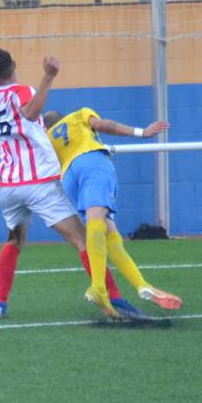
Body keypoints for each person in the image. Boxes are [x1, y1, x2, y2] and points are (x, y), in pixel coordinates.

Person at [0, 47, 141, 320]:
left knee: (14, 241)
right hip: (38, 182)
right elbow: (30, 114)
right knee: (83, 241)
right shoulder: (23, 91)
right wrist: (48, 77)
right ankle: (115, 300)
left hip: (7, 185)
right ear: (13, 65)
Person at [43, 108, 183, 314]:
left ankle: (141, 284)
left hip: (68, 177)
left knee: (109, 233)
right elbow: (106, 125)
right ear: (63, 118)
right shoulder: (78, 115)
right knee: (96, 225)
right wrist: (141, 132)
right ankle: (99, 287)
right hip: (91, 161)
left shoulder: (46, 138)